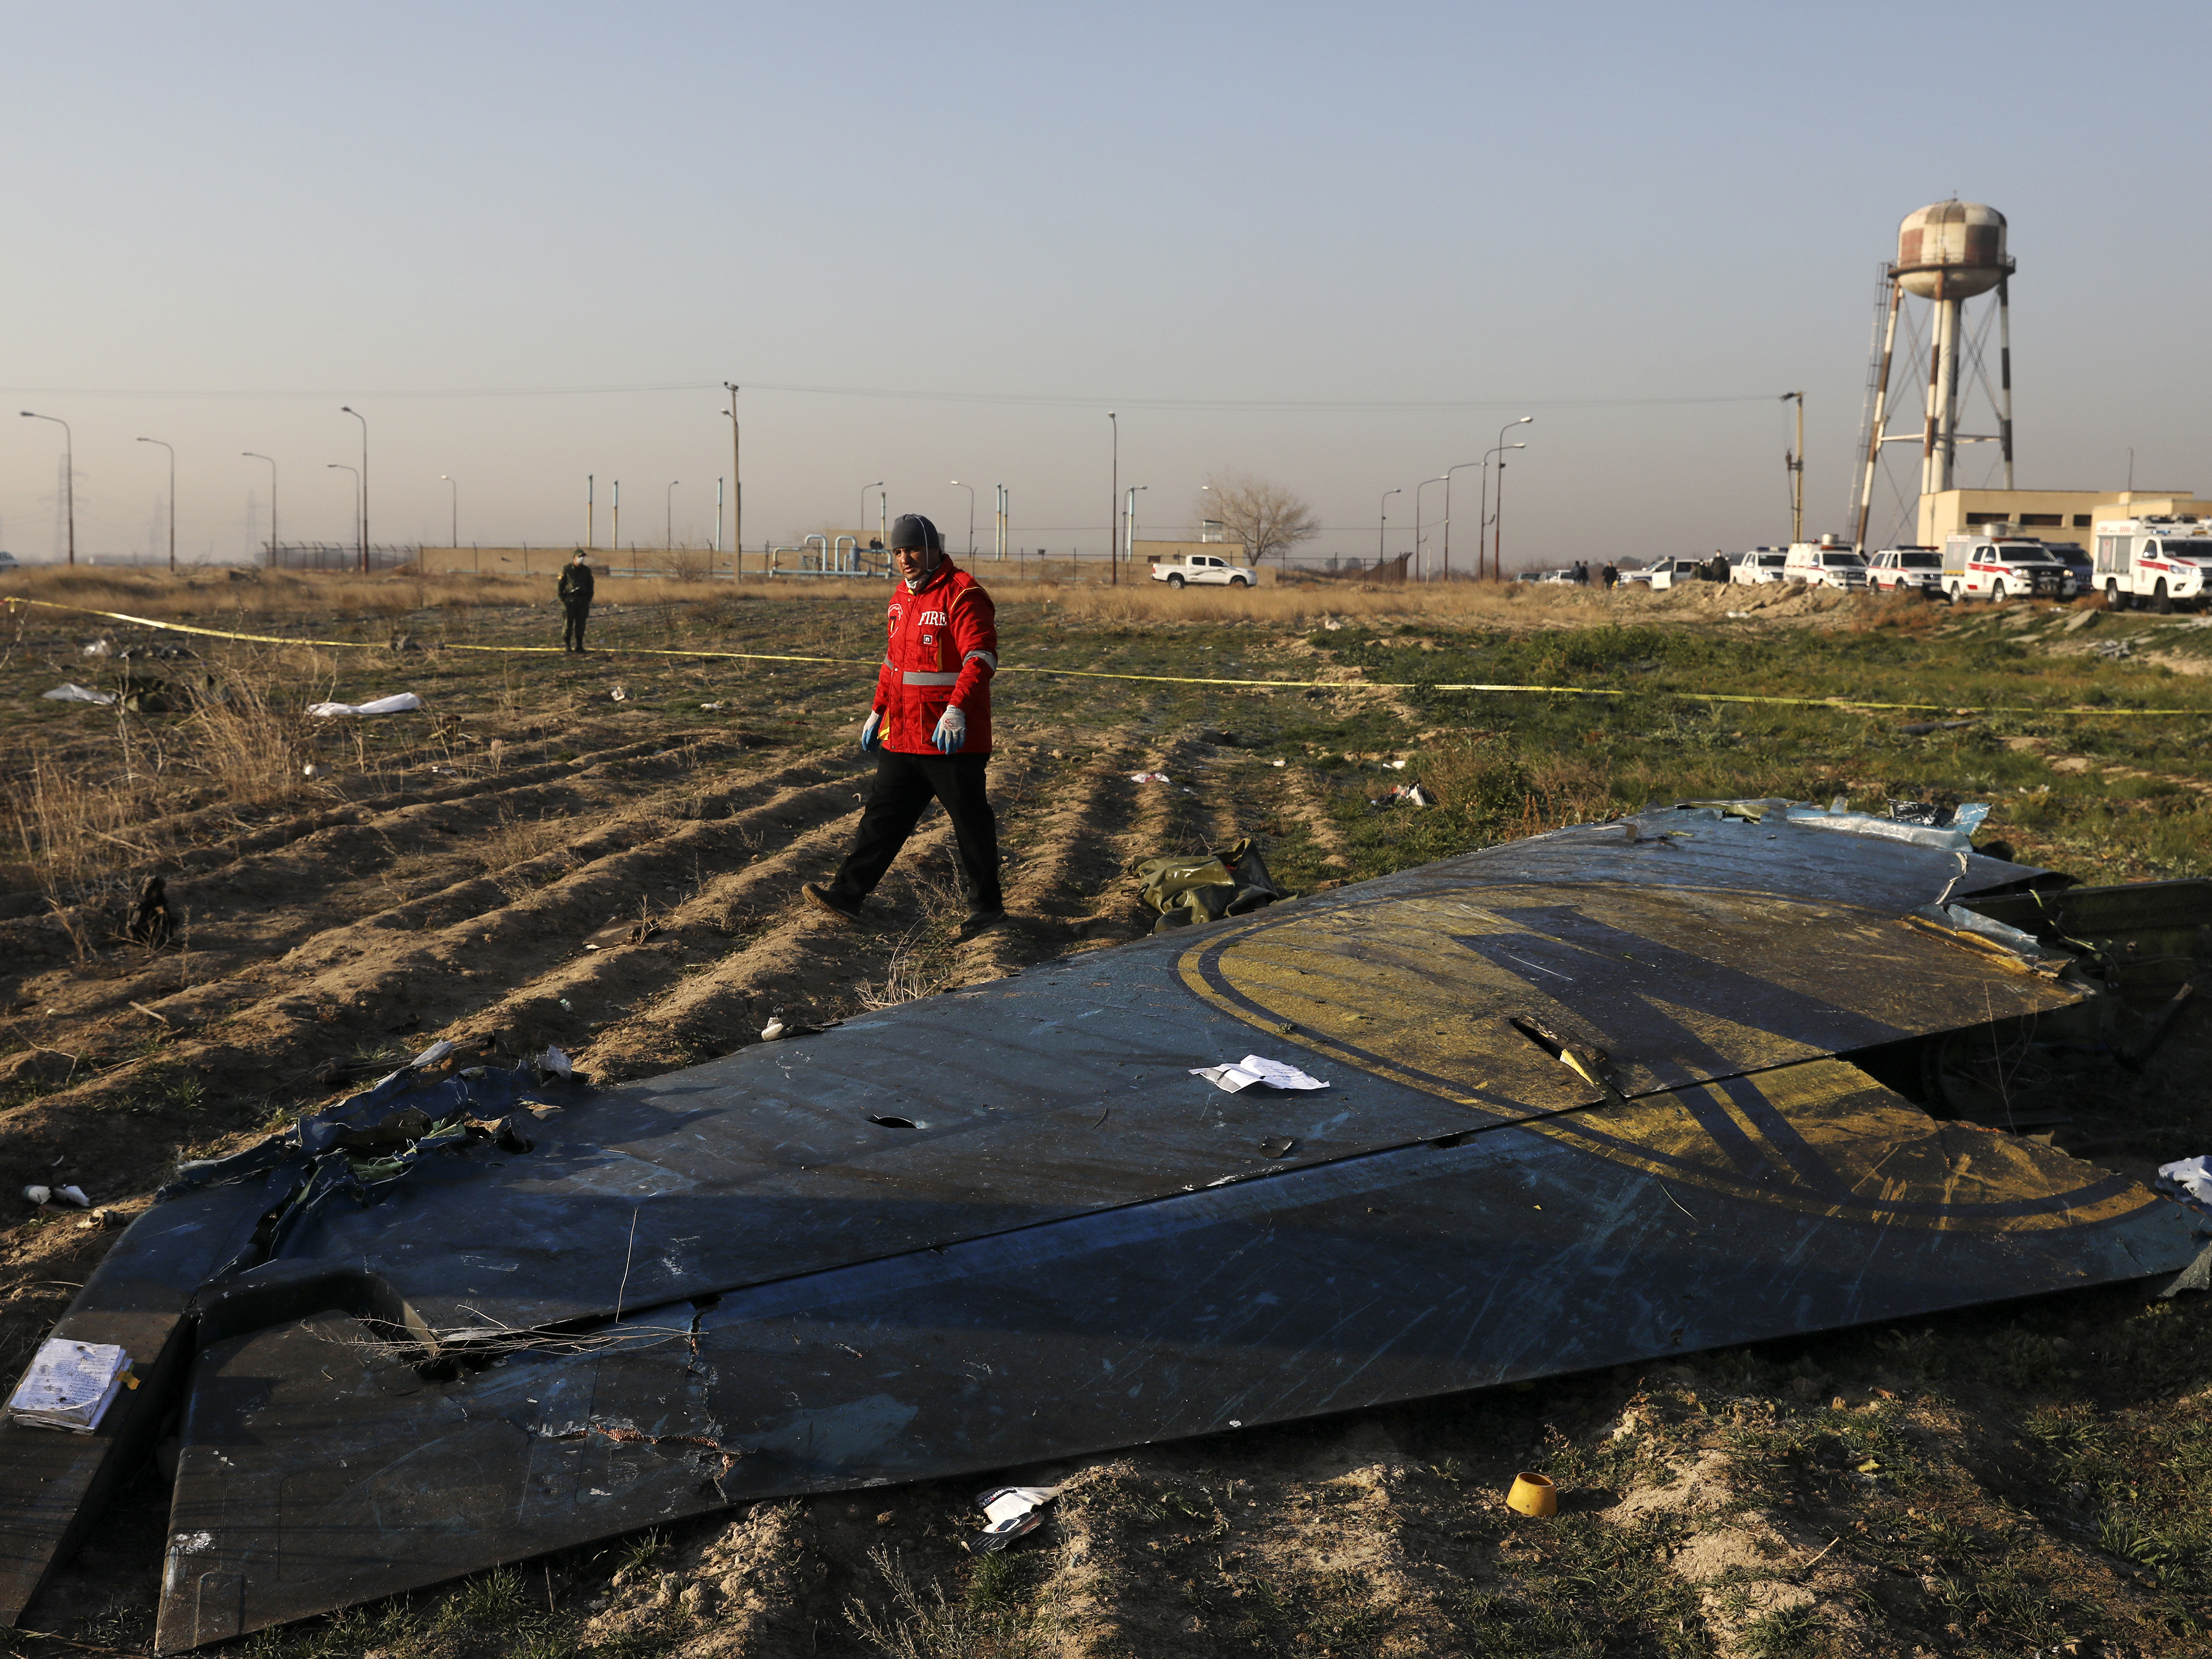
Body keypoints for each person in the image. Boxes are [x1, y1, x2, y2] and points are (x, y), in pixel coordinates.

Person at [804, 513, 1005, 936]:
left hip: (951, 739)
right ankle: (847, 895)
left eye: (912, 548)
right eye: (898, 551)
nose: (905, 558)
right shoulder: (900, 598)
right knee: (882, 816)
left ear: (933, 548)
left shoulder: (963, 594)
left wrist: (957, 710)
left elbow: (980, 658)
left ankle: (987, 908)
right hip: (903, 734)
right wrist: (878, 709)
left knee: (970, 823)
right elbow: (894, 663)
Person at [557, 549, 594, 652]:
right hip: (570, 600)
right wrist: (562, 598)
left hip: (583, 600)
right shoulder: (567, 569)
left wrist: (588, 598)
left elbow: (590, 585)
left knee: (581, 624)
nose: (581, 559)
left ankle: (579, 646)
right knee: (568, 623)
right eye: (579, 557)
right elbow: (560, 585)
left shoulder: (586, 570)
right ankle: (568, 646)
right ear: (574, 558)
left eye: (583, 557)